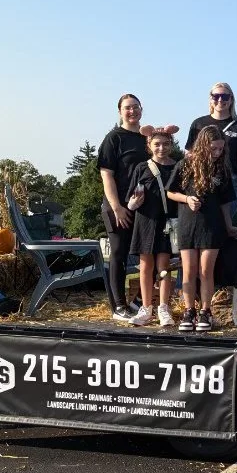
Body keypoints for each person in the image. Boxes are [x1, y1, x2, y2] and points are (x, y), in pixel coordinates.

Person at [168, 125, 237, 333]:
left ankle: (206, 311)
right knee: (188, 271)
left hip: (213, 225)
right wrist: (187, 199)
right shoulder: (184, 164)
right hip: (188, 224)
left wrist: (228, 226)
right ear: (202, 146)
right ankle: (189, 310)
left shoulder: (222, 169)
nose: (217, 153)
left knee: (206, 270)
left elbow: (226, 202)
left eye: (220, 149)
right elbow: (171, 193)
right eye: (213, 149)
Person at [123, 124, 181, 328]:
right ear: (149, 145)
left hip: (168, 223)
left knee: (163, 267)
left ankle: (163, 307)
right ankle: (146, 307)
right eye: (157, 144)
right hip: (145, 221)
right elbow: (131, 195)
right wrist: (133, 203)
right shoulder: (142, 167)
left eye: (166, 144)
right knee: (146, 266)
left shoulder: (178, 166)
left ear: (171, 145)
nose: (162, 148)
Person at [97, 93, 147, 322]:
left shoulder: (147, 137)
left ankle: (138, 301)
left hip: (144, 207)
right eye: (127, 108)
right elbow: (106, 175)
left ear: (141, 109)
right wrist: (117, 206)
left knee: (153, 254)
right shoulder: (113, 138)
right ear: (120, 112)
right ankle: (118, 306)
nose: (132, 111)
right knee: (119, 254)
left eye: (136, 107)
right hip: (119, 206)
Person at [184, 83, 237, 213]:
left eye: (225, 96)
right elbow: (189, 155)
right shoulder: (198, 124)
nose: (220, 100)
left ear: (231, 99)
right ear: (210, 99)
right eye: (216, 96)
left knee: (225, 226)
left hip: (229, 182)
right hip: (201, 180)